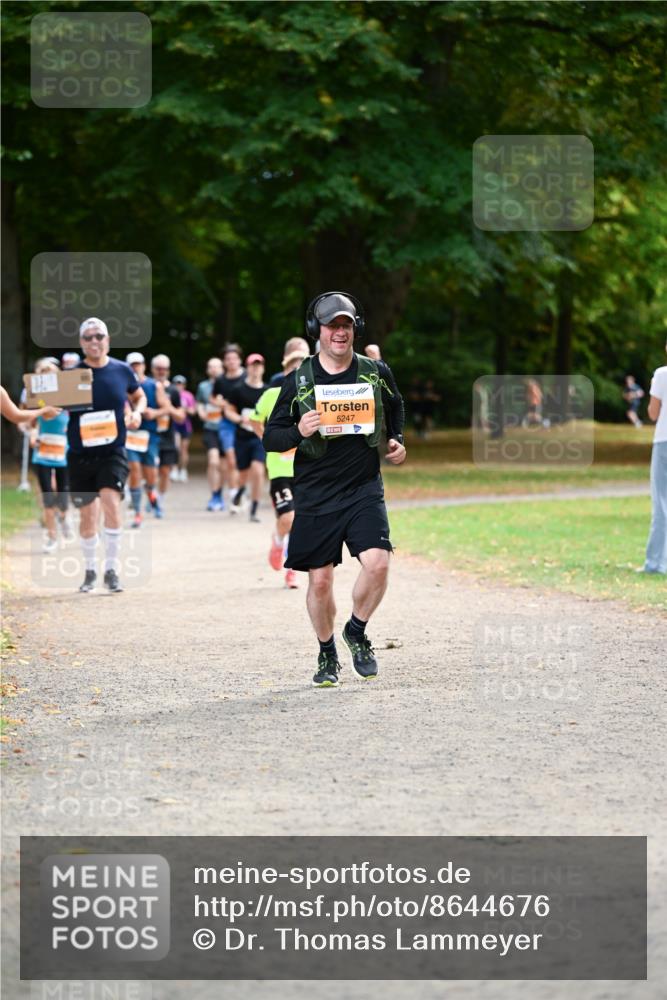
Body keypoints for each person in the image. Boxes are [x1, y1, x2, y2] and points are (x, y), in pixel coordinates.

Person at [263, 291, 406, 688]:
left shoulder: (374, 371)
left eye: (346, 324)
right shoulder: (300, 378)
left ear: (355, 328)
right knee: (320, 581)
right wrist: (297, 430)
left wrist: (395, 439)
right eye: (332, 325)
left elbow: (396, 406)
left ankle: (356, 631)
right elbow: (270, 438)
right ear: (317, 330)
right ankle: (327, 652)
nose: (339, 332)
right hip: (314, 491)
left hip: (363, 486)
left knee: (378, 563)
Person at [66, 318, 146, 593]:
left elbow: (139, 397)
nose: (94, 341)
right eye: (88, 337)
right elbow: (49, 406)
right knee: (88, 517)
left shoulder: (122, 370)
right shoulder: (72, 374)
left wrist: (137, 412)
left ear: (108, 339)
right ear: (81, 343)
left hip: (113, 451)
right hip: (80, 454)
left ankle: (111, 570)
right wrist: (48, 410)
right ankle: (90, 571)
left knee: (111, 503)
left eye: (99, 335)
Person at [251, 342, 310, 588]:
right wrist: (271, 439)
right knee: (287, 518)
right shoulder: (271, 395)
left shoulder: (314, 397)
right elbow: (255, 420)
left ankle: (292, 569)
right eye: (292, 368)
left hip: (307, 468)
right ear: (285, 370)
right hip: (280, 469)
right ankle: (278, 541)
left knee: (301, 520)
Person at [29, 360, 72, 552]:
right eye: (43, 377)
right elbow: (32, 422)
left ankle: (63, 516)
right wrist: (33, 435)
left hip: (64, 452)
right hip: (43, 452)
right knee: (47, 496)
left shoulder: (68, 399)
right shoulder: (37, 400)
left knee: (63, 495)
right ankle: (52, 538)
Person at [124, 352, 169, 528]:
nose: (136, 367)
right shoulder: (123, 385)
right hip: (130, 435)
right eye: (132, 365)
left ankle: (153, 498)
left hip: (149, 436)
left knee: (151, 475)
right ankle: (137, 513)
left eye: (138, 364)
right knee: (134, 469)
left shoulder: (153, 385)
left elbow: (167, 408)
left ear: (144, 366)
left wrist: (154, 413)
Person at [224, 353, 267, 521]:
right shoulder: (238, 390)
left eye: (259, 365)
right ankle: (240, 492)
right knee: (243, 474)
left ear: (263, 368)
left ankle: (254, 510)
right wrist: (239, 418)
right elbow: (228, 410)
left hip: (259, 437)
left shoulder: (267, 391)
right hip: (242, 437)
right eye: (252, 365)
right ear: (247, 368)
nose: (255, 369)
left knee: (258, 469)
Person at [641, 345, 667, 574]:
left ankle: (655, 563)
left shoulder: (662, 374)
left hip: (664, 441)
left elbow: (653, 413)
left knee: (660, 502)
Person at [212, 344, 245, 511]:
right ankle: (234, 496)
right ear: (224, 362)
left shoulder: (247, 376)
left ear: (239, 360)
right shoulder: (220, 380)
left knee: (244, 462)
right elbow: (213, 398)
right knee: (231, 459)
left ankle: (241, 491)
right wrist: (221, 403)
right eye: (228, 359)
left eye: (234, 358)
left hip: (246, 424)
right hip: (227, 424)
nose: (231, 361)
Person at [151, 354, 185, 513]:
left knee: (165, 471)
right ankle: (149, 496)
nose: (161, 371)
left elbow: (180, 417)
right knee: (149, 471)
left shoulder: (173, 390)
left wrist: (167, 407)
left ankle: (160, 500)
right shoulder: (145, 386)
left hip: (167, 436)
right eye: (158, 368)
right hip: (149, 435)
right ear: (152, 369)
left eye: (164, 368)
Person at [196, 357, 225, 511]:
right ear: (208, 370)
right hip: (210, 428)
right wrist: (201, 412)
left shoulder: (227, 384)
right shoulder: (203, 386)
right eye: (211, 367)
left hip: (226, 429)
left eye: (217, 366)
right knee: (213, 462)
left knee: (225, 465)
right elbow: (199, 402)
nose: (214, 369)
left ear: (222, 368)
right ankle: (214, 495)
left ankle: (220, 494)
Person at [171, 375, 196, 481]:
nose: (178, 386)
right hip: (174, 424)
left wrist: (184, 409)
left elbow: (193, 411)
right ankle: (175, 468)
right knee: (175, 447)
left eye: (180, 384)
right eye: (177, 384)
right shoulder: (171, 393)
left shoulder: (188, 396)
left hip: (185, 424)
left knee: (184, 449)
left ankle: (183, 469)